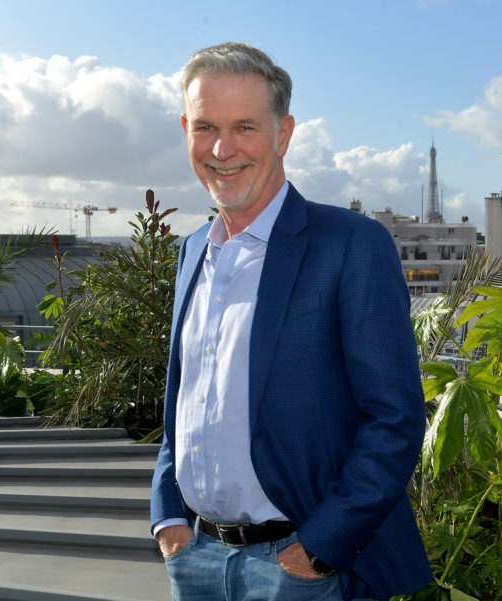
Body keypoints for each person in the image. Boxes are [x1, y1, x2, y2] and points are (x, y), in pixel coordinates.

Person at [150, 42, 431, 601]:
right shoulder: (191, 253)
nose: (222, 149)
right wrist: (168, 518)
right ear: (186, 128)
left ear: (283, 134)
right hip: (194, 558)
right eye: (205, 127)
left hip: (297, 569)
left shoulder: (350, 245)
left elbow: (395, 418)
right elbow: (187, 394)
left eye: (245, 127)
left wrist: (318, 549)